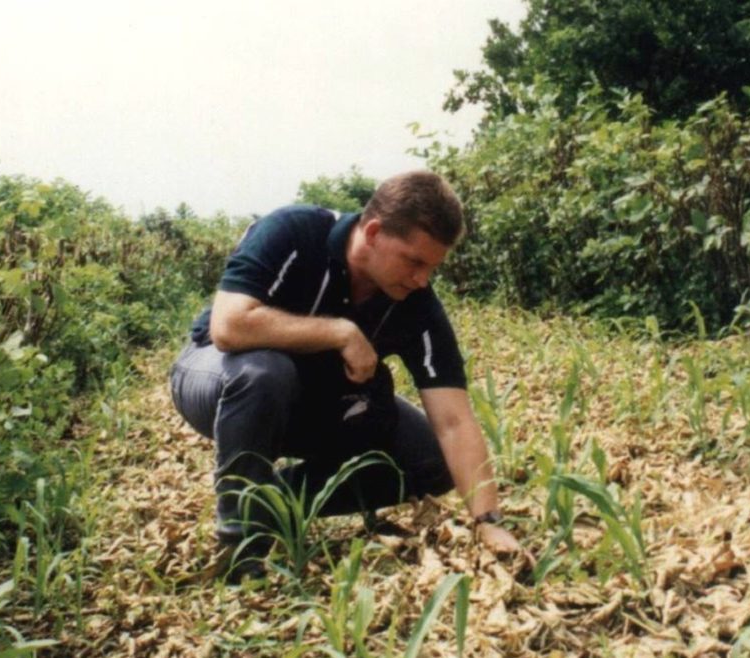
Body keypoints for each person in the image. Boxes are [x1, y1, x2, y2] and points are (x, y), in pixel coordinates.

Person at [169, 170, 525, 573]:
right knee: (264, 373)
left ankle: (271, 504)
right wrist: (339, 332)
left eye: (432, 268)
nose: (422, 279)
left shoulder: (416, 301)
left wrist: (488, 521)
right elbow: (229, 327)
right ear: (373, 232)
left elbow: (454, 420)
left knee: (432, 458)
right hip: (216, 378)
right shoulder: (294, 231)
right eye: (414, 261)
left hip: (315, 402)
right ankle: (240, 549)